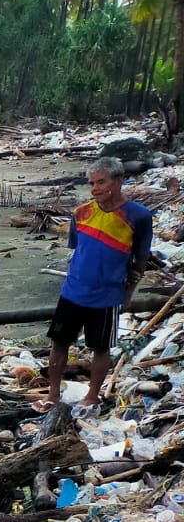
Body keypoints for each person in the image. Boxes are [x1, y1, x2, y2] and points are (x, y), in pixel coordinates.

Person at [45, 156, 154, 410]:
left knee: (101, 348)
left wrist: (128, 294)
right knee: (59, 343)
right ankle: (53, 394)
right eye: (91, 183)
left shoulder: (138, 216)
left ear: (119, 181)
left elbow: (140, 259)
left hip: (107, 295)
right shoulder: (81, 213)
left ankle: (92, 396)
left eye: (101, 182)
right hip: (73, 291)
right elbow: (79, 250)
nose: (95, 188)